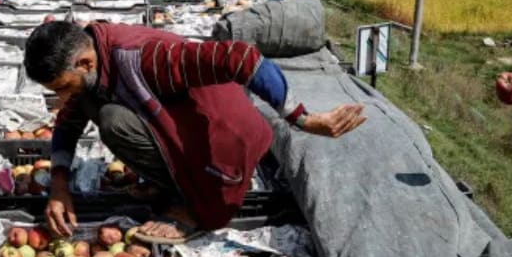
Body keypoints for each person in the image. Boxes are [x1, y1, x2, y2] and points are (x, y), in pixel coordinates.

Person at [25, 20, 367, 244]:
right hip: (182, 130)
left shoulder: (144, 59)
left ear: (85, 63)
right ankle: (170, 182)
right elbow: (69, 123)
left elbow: (243, 59)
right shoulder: (95, 62)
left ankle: (187, 203)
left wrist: (303, 119)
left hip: (227, 141)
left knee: (113, 120)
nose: (60, 97)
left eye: (62, 86)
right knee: (90, 106)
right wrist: (59, 185)